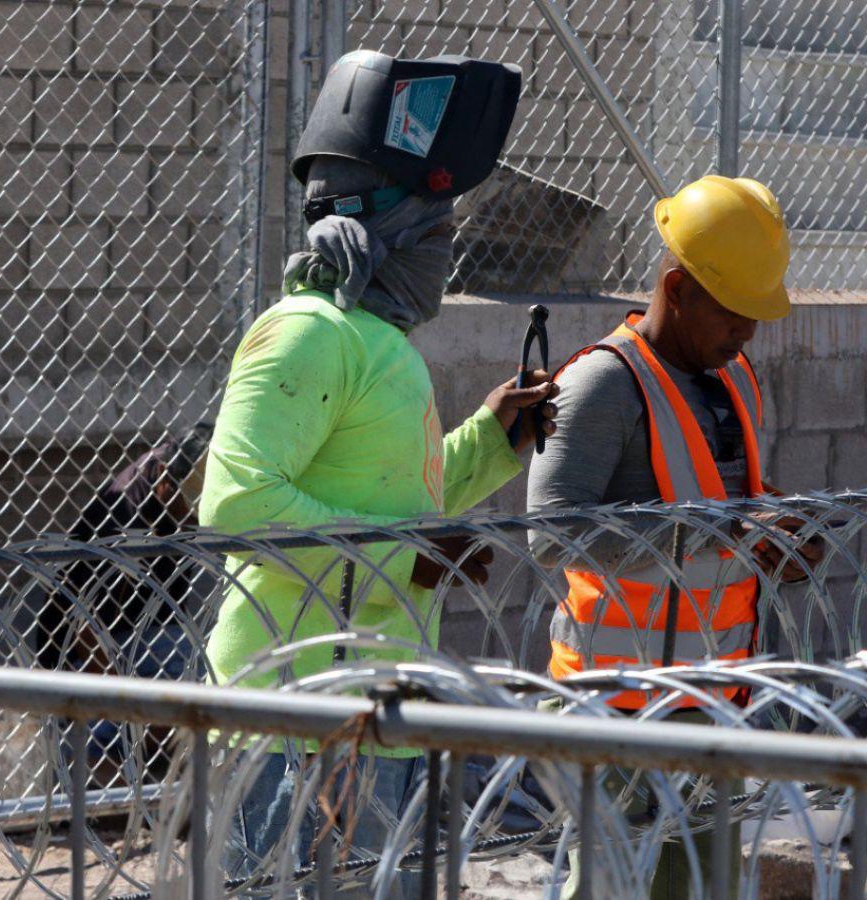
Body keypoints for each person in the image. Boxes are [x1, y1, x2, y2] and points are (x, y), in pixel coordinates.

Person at [197, 50, 557, 896]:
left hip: (369, 699)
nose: (444, 250)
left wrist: (493, 440)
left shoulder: (377, 343)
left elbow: (398, 503)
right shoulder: (308, 332)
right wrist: (406, 557)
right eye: (433, 231)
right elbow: (236, 503)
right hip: (293, 709)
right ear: (382, 226)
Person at [526, 175, 823, 898]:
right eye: (734, 312)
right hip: (617, 707)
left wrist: (781, 535)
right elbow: (552, 530)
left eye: (757, 315)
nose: (747, 330)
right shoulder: (605, 382)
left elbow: (733, 501)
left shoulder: (734, 376)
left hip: (712, 702)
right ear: (679, 289)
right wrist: (718, 532)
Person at [34, 428, 215, 773]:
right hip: (88, 652)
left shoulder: (172, 499)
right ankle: (111, 763)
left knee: (194, 658)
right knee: (181, 663)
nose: (194, 519)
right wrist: (138, 717)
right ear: (164, 479)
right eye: (190, 505)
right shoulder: (122, 518)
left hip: (145, 633)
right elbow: (81, 626)